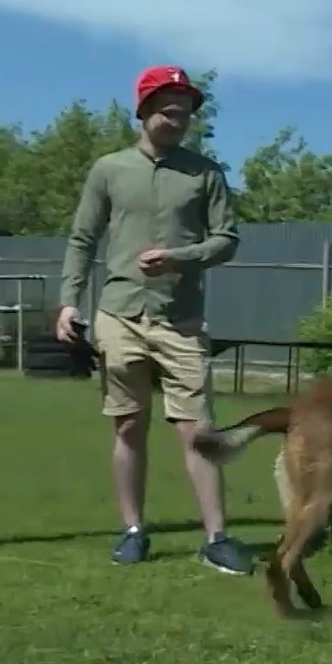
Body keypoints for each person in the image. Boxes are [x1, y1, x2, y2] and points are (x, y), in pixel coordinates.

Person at [55, 64, 251, 575]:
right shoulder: (109, 170)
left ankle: (216, 539)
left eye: (186, 107)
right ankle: (133, 530)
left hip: (180, 320)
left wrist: (180, 257)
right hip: (119, 314)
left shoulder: (205, 174)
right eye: (169, 104)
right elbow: (83, 239)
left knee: (199, 430)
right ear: (143, 109)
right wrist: (69, 301)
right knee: (128, 426)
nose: (179, 113)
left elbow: (227, 240)